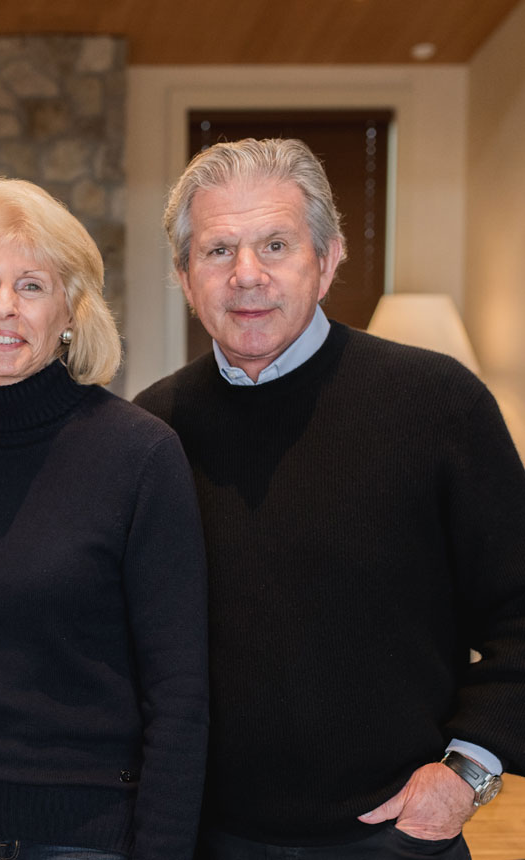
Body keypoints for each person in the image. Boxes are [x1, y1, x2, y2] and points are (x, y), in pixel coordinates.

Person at [134, 137, 525, 859]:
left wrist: (469, 772)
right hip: (207, 839)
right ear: (186, 277)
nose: (247, 276)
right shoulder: (153, 429)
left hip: (394, 837)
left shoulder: (439, 405)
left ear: (328, 258)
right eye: (218, 251)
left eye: (276, 244)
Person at [0, 178, 209, 860]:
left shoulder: (141, 455)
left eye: (33, 286)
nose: (4, 308)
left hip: (86, 836)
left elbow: (180, 690)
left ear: (71, 311)